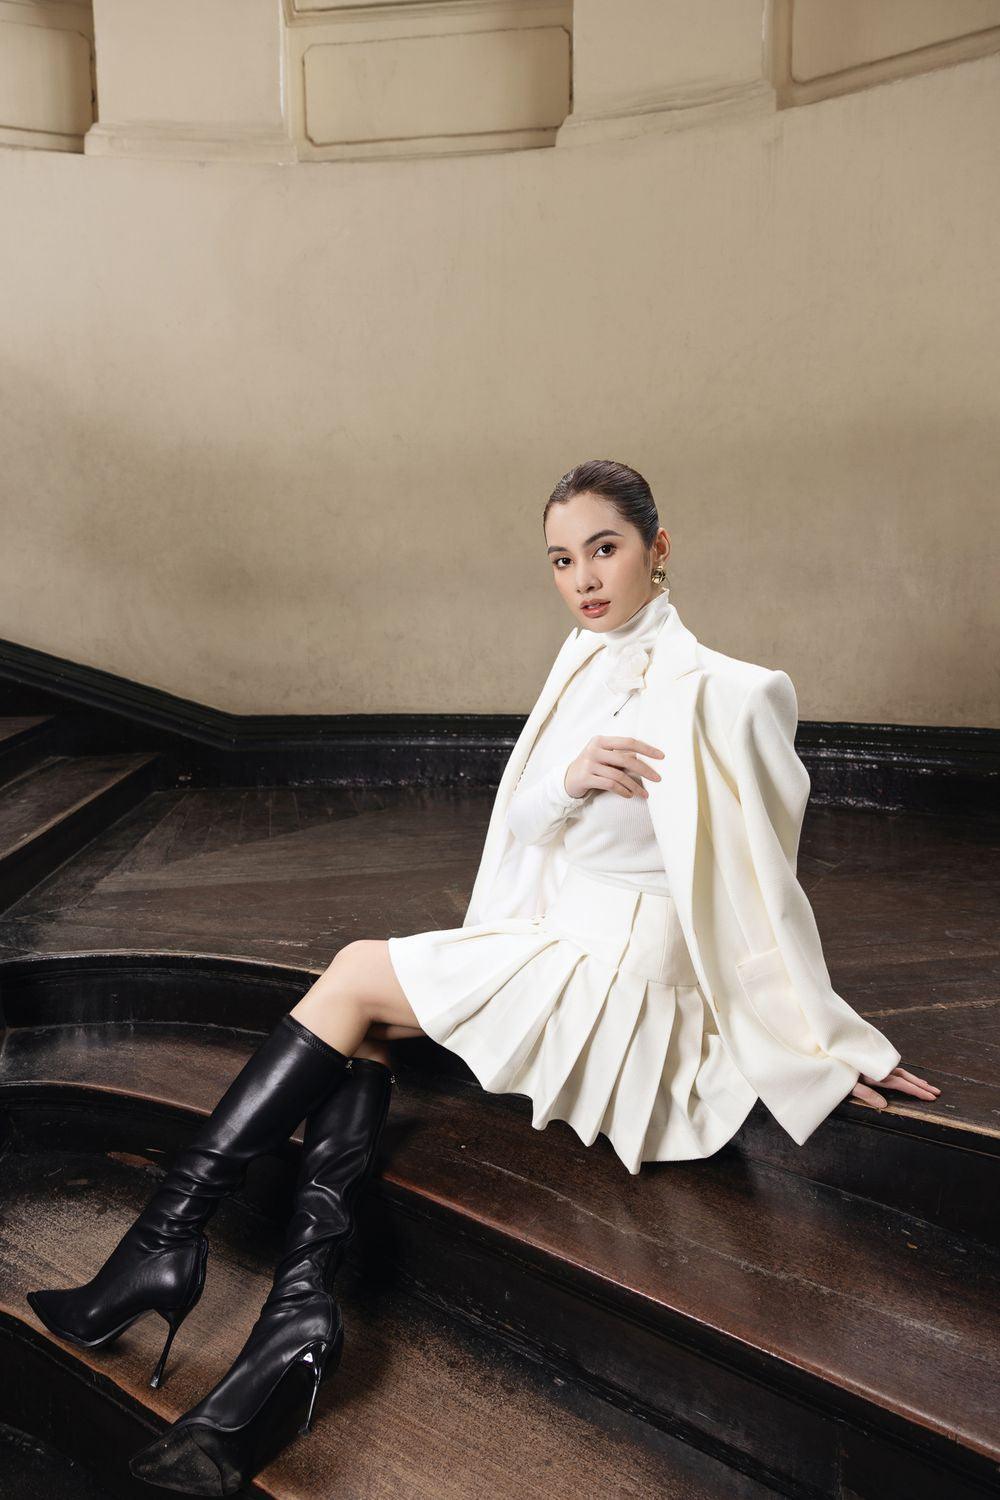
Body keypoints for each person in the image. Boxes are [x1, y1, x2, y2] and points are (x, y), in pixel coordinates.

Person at [27, 458, 940, 1495]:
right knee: (365, 1017)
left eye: (605, 549)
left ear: (658, 549)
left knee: (354, 978)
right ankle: (291, 1325)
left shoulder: (733, 692)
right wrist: (570, 777)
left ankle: (167, 1253)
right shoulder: (581, 657)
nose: (583, 578)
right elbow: (526, 818)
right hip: (556, 937)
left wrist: (823, 1037)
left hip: (622, 975)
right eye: (561, 559)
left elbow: (760, 888)